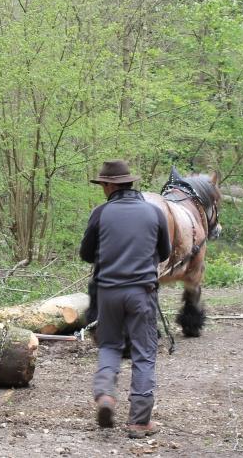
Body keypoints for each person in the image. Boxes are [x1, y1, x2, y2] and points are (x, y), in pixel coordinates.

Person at [79, 160, 171, 438]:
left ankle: (106, 395)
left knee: (109, 345)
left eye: (102, 185)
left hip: (107, 293)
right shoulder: (155, 213)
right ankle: (139, 422)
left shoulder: (100, 213)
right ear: (129, 182)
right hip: (142, 293)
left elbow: (86, 254)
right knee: (144, 353)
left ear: (110, 186)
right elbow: (165, 252)